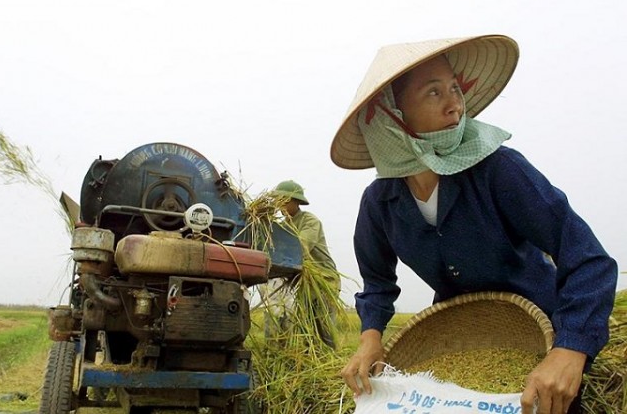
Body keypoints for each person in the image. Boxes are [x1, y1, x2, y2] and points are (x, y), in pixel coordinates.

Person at [330, 34, 618, 414]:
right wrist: (370, 337)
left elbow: (586, 257)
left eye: (454, 89)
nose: (455, 105)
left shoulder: (499, 171)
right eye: (434, 93)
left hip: (542, 333)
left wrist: (570, 348)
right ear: (391, 118)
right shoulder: (380, 202)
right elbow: (378, 283)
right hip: (459, 339)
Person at [259, 179, 341, 349]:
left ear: (295, 202)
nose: (280, 204)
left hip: (323, 280)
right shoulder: (282, 226)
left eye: (284, 200)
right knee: (305, 331)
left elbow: (300, 248)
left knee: (324, 329)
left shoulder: (310, 221)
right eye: (278, 201)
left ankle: (333, 365)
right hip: (300, 283)